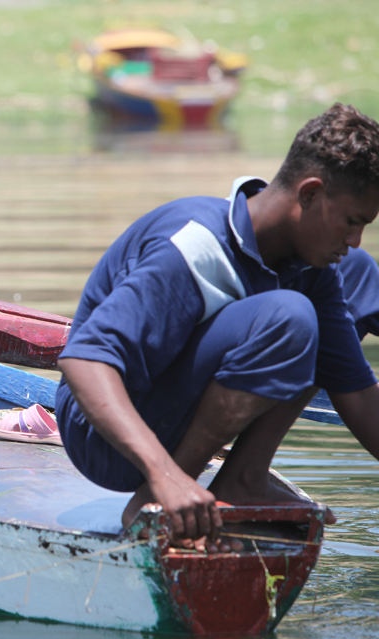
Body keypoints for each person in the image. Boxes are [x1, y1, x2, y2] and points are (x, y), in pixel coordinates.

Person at [54, 103, 379, 551]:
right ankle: (159, 496)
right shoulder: (195, 247)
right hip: (103, 435)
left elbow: (358, 393)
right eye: (351, 221)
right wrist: (165, 475)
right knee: (290, 316)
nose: (354, 238)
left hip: (172, 415)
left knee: (354, 275)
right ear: (309, 193)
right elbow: (83, 361)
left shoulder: (311, 266)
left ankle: (243, 477)